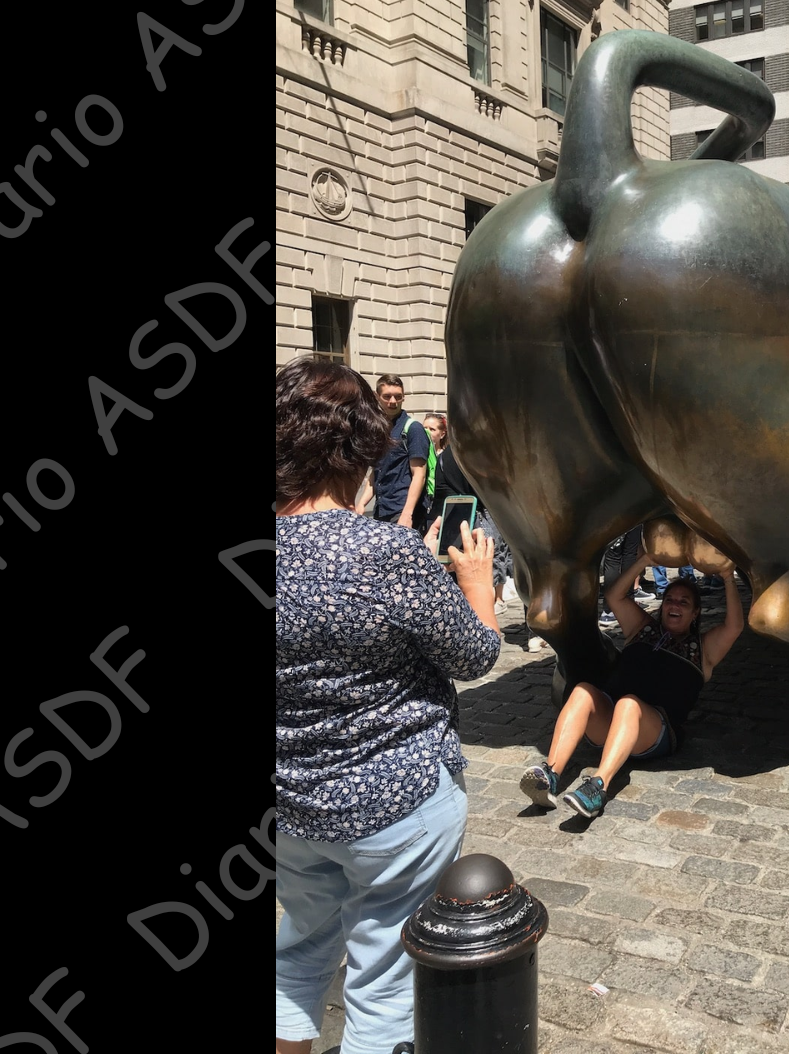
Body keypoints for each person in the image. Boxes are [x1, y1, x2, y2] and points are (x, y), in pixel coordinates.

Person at [273, 358, 503, 1054]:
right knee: (383, 984)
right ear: (358, 450)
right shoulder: (384, 553)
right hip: (394, 804)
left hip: (291, 803)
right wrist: (477, 583)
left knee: (294, 958)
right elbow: (475, 656)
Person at [519, 556, 746, 819]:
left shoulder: (704, 649)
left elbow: (735, 626)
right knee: (582, 690)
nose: (674, 606)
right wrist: (645, 560)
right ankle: (550, 775)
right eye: (670, 600)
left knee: (629, 704)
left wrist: (728, 577)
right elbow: (615, 597)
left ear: (695, 613)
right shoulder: (642, 628)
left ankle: (598, 786)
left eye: (683, 603)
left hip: (654, 731)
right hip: (611, 718)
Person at [429, 426, 514, 612]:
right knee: (489, 558)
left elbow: (441, 491)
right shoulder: (481, 457)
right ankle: (493, 600)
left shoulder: (445, 457)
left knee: (454, 562)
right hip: (483, 516)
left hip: (453, 515)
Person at [356, 374, 430, 529]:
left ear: (403, 398)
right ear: (377, 397)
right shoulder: (378, 430)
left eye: (398, 397)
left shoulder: (413, 429)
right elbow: (376, 474)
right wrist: (361, 504)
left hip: (402, 511)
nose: (393, 402)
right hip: (382, 509)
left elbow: (419, 474)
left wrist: (407, 514)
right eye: (387, 396)